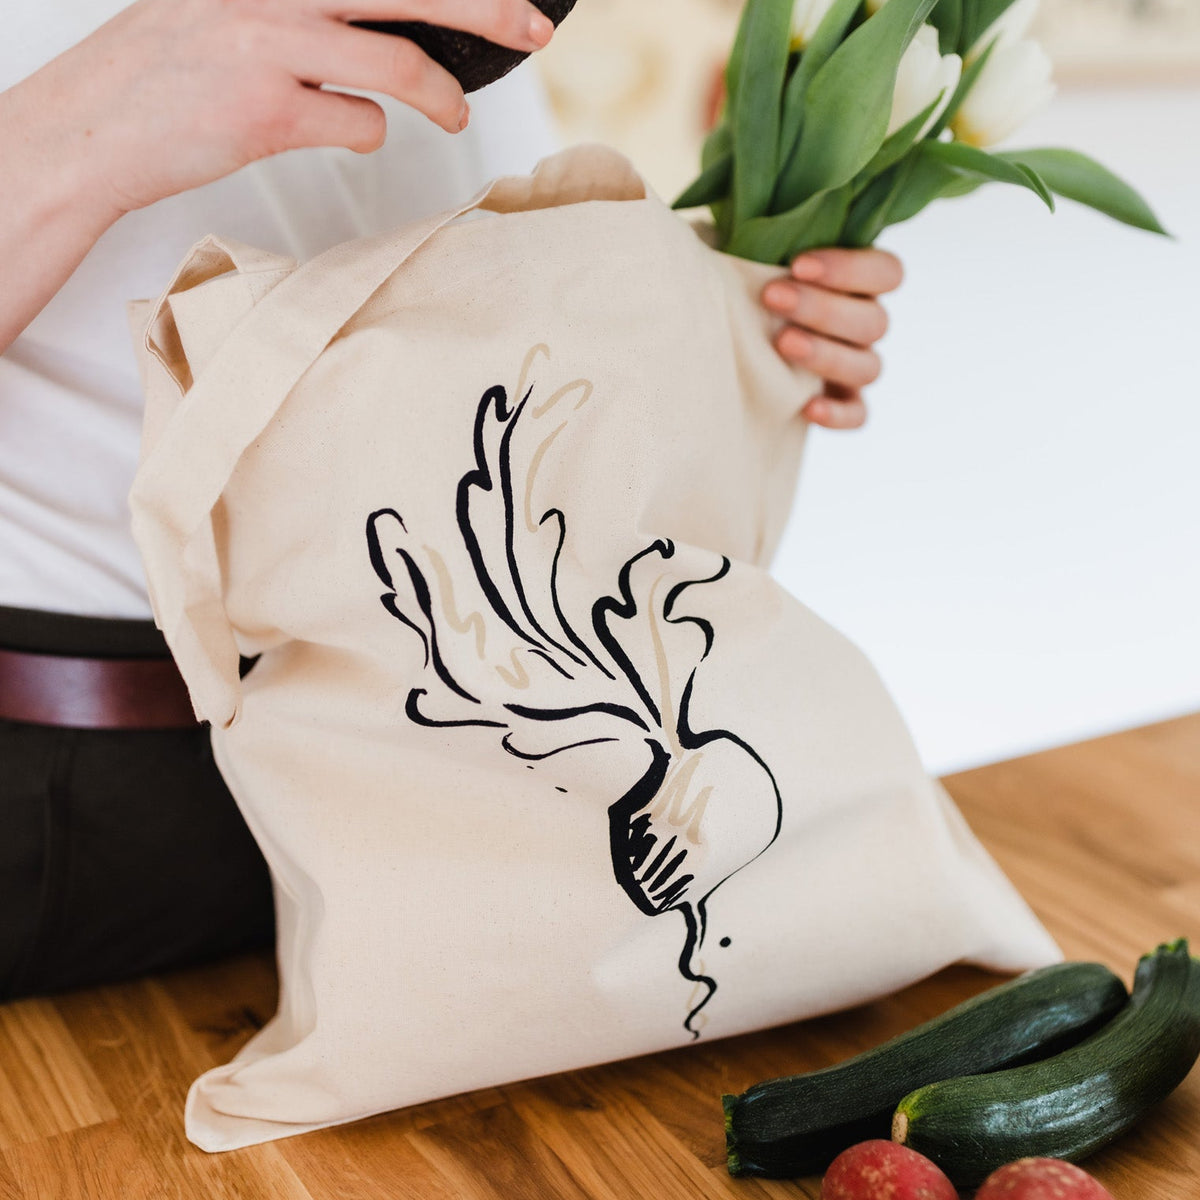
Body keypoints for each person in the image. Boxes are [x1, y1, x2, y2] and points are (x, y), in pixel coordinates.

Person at [0, 0, 904, 1003]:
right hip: (76, 817)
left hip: (451, 794)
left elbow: (439, 317)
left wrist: (730, 323)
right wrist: (71, 131)